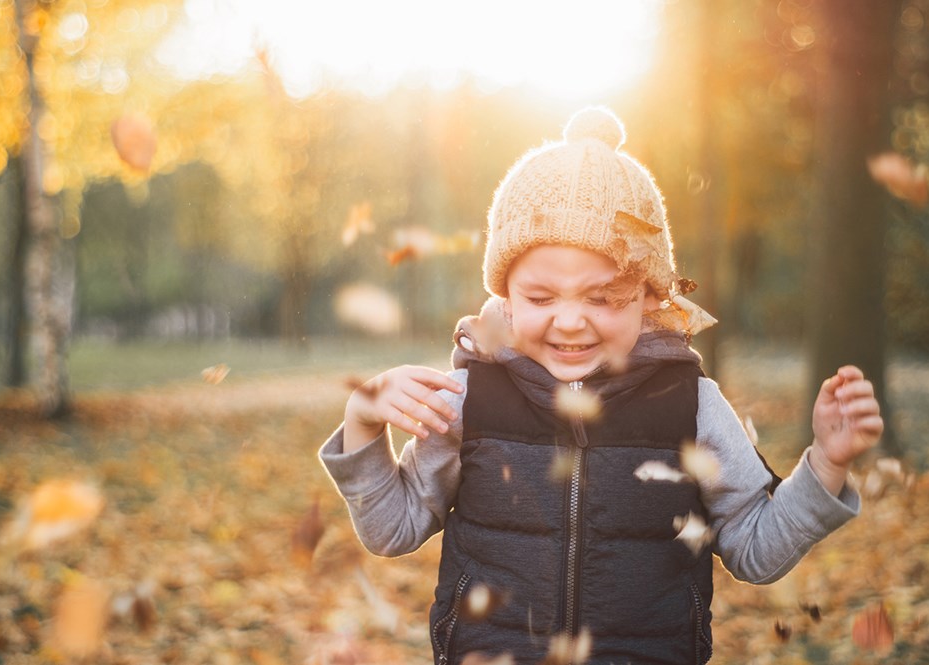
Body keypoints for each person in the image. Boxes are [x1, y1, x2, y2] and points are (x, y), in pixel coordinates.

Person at [319, 107, 883, 665]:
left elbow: (755, 551)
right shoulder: (471, 399)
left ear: (652, 298)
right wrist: (364, 422)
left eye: (604, 298)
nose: (570, 320)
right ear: (506, 296)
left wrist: (826, 467)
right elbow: (392, 530)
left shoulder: (690, 408)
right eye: (541, 299)